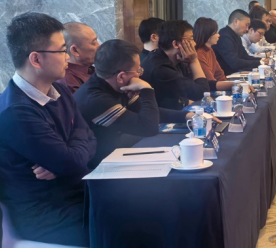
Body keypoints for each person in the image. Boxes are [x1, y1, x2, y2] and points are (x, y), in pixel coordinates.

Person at [0, 12, 96, 247]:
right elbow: (72, 162)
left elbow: (89, 139)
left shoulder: (60, 90)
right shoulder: (15, 112)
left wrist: (66, 158)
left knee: (142, 205)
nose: (68, 57)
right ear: (36, 59)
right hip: (49, 214)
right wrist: (68, 159)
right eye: (62, 51)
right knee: (128, 227)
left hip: (77, 193)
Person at [75, 40, 190, 169]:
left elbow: (147, 111)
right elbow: (148, 128)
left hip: (115, 152)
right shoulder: (96, 100)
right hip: (98, 167)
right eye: (138, 70)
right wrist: (147, 90)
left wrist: (187, 116)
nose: (140, 74)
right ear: (121, 76)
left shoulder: (114, 84)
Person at [142, 20, 210, 110]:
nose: (195, 43)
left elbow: (196, 83)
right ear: (175, 44)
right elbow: (202, 94)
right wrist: (194, 61)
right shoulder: (160, 68)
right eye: (191, 39)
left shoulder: (174, 58)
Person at [212, 10, 261, 74]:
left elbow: (245, 56)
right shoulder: (224, 36)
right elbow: (234, 63)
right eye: (246, 25)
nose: (247, 29)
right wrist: (260, 63)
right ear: (236, 21)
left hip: (235, 72)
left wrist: (261, 61)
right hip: (226, 75)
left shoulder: (236, 36)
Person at [193, 17, 234, 93]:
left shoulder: (210, 49)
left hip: (214, 88)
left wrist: (226, 85)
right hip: (207, 92)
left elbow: (219, 73)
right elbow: (210, 80)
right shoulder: (199, 53)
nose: (219, 35)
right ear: (208, 36)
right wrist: (229, 86)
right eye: (216, 33)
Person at [56, 22, 99, 94]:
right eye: (93, 43)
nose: (99, 46)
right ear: (75, 50)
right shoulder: (69, 81)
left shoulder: (89, 69)